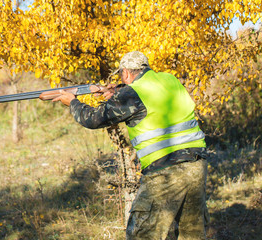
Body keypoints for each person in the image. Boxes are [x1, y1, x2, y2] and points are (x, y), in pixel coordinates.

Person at [52, 51, 209, 239]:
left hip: (165, 172)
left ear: (125, 73)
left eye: (121, 75)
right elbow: (149, 99)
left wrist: (72, 103)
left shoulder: (132, 92)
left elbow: (93, 119)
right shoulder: (169, 80)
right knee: (191, 234)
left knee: (142, 234)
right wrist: (116, 93)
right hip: (196, 167)